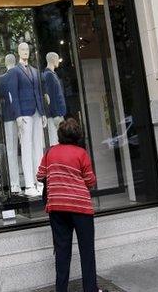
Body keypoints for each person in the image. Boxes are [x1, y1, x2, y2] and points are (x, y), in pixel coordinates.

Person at [37, 118, 97, 292]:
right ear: (78, 136)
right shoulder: (81, 153)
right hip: (81, 208)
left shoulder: (50, 153)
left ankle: (61, 289)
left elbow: (40, 176)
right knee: (87, 252)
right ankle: (90, 289)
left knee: (62, 252)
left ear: (59, 135)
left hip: (57, 207)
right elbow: (90, 181)